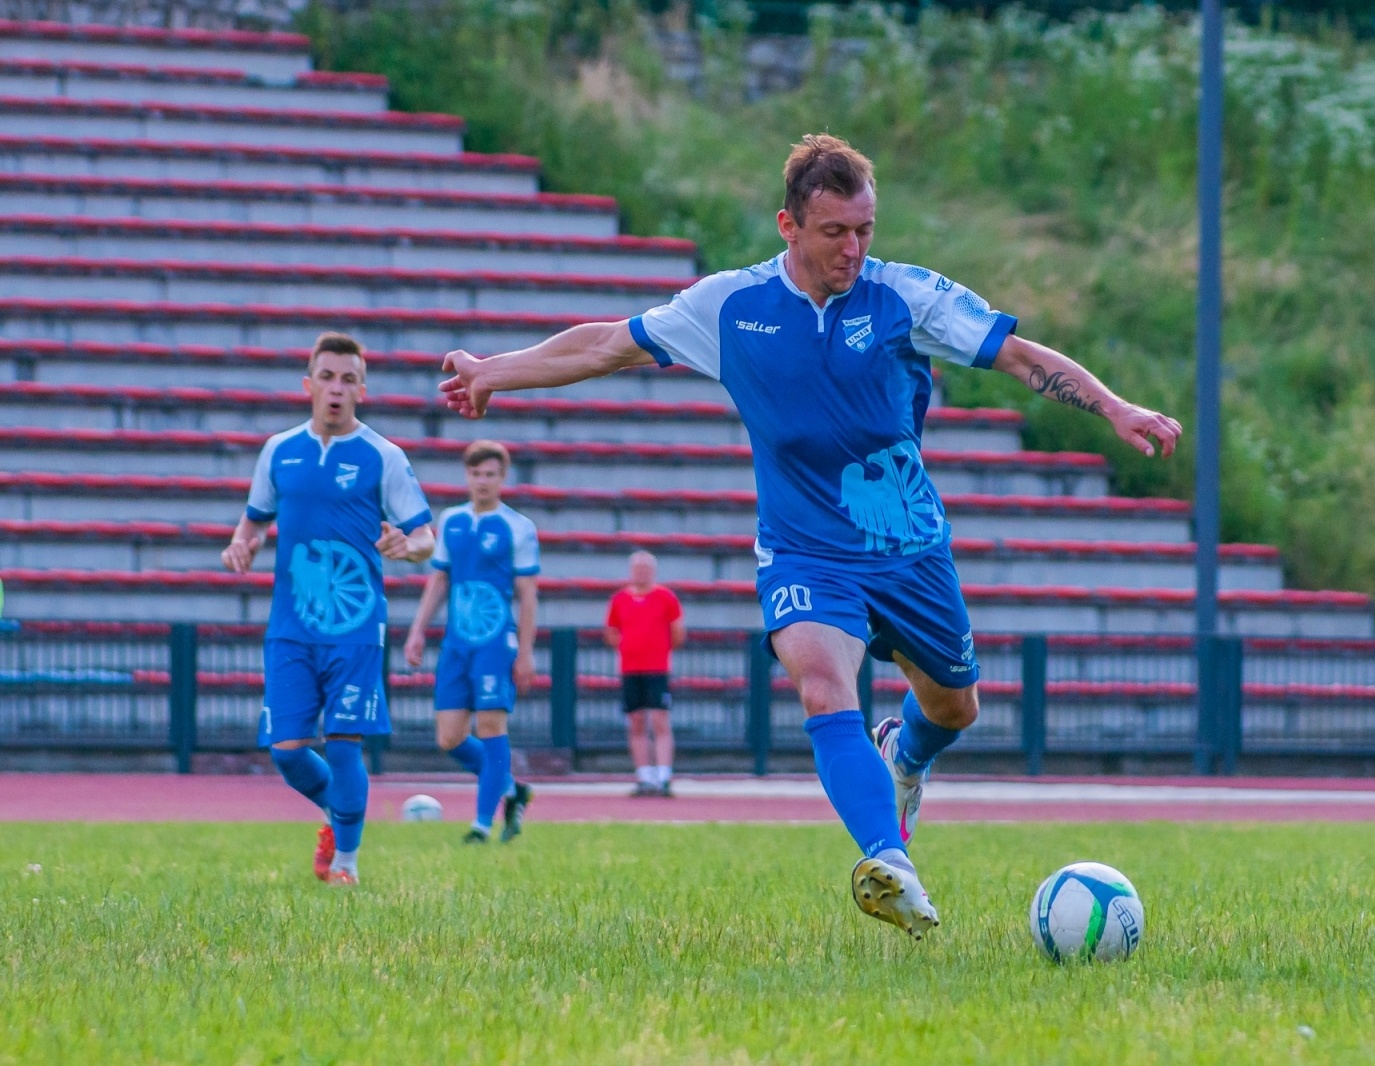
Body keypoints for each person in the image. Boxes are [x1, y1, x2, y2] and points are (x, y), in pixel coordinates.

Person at [438, 134, 1180, 938]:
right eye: (835, 232)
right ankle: (887, 859)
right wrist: (492, 371)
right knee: (823, 685)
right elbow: (607, 344)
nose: (854, 248)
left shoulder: (905, 297)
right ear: (789, 226)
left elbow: (1019, 356)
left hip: (907, 546)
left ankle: (905, 754)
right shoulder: (730, 307)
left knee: (956, 705)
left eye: (864, 229)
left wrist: (1112, 406)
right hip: (803, 549)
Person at [222, 331, 435, 887]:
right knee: (288, 752)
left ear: (361, 389)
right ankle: (336, 818)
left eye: (348, 379)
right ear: (308, 384)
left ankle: (346, 864)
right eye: (327, 377)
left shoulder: (383, 456)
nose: (336, 388)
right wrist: (241, 544)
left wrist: (405, 546)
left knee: (344, 747)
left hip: (355, 627)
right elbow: (255, 519)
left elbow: (426, 539)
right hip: (290, 626)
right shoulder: (279, 450)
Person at [403, 440, 539, 843]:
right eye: (476, 474)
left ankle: (481, 825)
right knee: (449, 736)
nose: (483, 481)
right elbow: (440, 579)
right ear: (467, 476)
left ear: (502, 478)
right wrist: (417, 630)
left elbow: (528, 594)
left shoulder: (518, 527)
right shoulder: (452, 521)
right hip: (456, 643)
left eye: (491, 474)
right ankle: (514, 790)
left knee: (492, 725)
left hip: (496, 643)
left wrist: (526, 652)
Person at [603, 551, 685, 797]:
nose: (641, 573)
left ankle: (663, 775)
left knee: (660, 720)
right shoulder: (620, 600)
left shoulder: (665, 598)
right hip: (630, 668)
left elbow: (678, 632)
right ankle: (644, 776)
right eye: (637, 568)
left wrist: (657, 649)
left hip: (657, 668)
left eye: (645, 568)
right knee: (636, 722)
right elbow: (611, 631)